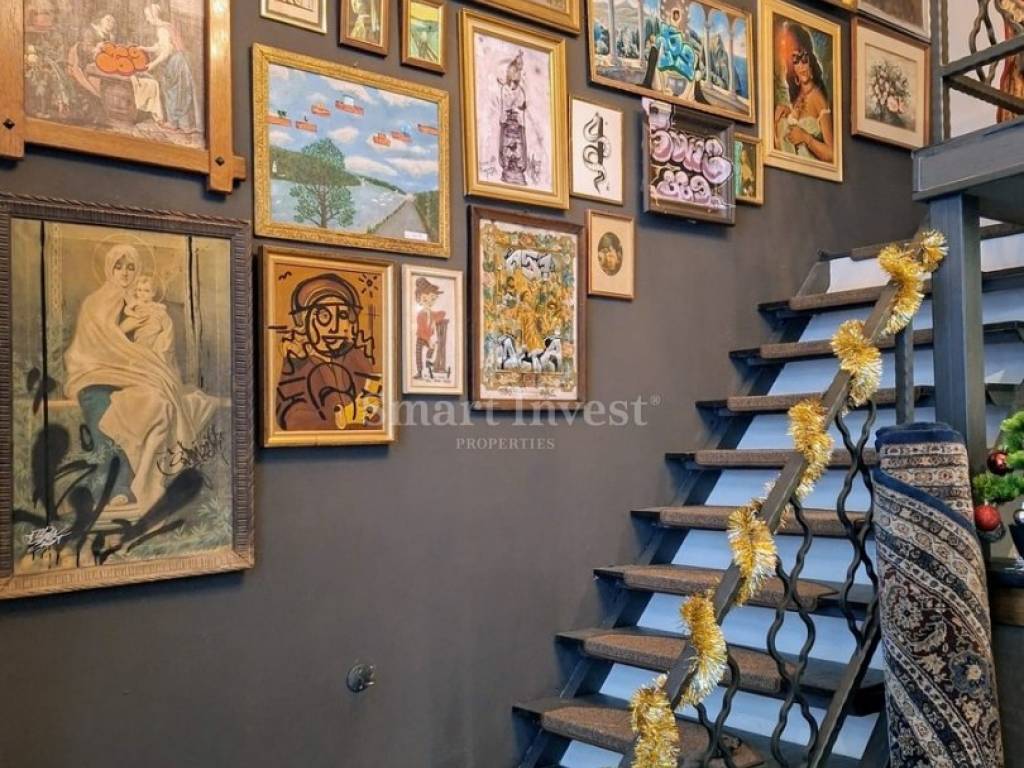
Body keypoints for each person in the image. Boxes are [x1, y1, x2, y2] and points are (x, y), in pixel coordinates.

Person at [64, 244, 218, 511]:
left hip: (139, 371)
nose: (125, 273)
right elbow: (94, 345)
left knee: (159, 406)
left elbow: (158, 343)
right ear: (109, 269)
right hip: (97, 371)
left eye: (131, 267)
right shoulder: (95, 303)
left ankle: (150, 483)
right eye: (119, 266)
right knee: (99, 406)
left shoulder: (144, 302)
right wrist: (124, 331)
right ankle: (116, 484)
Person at [275, 273, 381, 431]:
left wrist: (375, 404)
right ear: (303, 322)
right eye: (324, 316)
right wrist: (341, 419)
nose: (334, 328)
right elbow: (290, 418)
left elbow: (379, 414)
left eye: (342, 316)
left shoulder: (355, 356)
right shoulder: (298, 362)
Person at [773, 22, 834, 163]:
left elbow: (832, 155)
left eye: (804, 58)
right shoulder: (796, 96)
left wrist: (806, 138)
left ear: (810, 60)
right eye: (795, 60)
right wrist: (785, 113)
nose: (802, 66)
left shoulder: (818, 98)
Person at [141, 3, 199, 135]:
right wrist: (144, 48)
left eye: (148, 16)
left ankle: (173, 124)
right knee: (181, 91)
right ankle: (185, 125)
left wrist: (152, 64)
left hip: (175, 61)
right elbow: (159, 46)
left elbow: (167, 50)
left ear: (154, 15)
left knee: (173, 91)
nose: (147, 19)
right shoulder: (167, 26)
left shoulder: (162, 30)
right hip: (181, 60)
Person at [120, 274, 175, 367]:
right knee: (141, 348)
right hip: (141, 333)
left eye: (146, 291)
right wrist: (134, 315)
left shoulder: (156, 307)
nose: (142, 293)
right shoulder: (136, 303)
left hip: (153, 332)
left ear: (153, 293)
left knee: (152, 346)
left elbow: (161, 312)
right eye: (139, 290)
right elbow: (127, 310)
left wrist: (158, 310)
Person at [498, 52, 528, 185]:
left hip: (518, 126)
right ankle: (508, 166)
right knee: (507, 146)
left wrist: (520, 109)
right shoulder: (505, 89)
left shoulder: (521, 91)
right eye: (516, 71)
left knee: (519, 147)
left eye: (520, 72)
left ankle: (517, 168)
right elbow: (506, 106)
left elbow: (520, 108)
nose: (519, 74)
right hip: (508, 125)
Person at [414, 278, 447, 381]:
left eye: (432, 299)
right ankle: (419, 371)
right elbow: (422, 330)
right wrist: (429, 340)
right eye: (425, 300)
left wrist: (433, 322)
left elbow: (442, 313)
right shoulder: (420, 314)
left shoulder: (432, 314)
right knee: (418, 354)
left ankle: (429, 363)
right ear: (419, 300)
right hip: (421, 337)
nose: (429, 302)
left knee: (432, 348)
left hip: (429, 338)